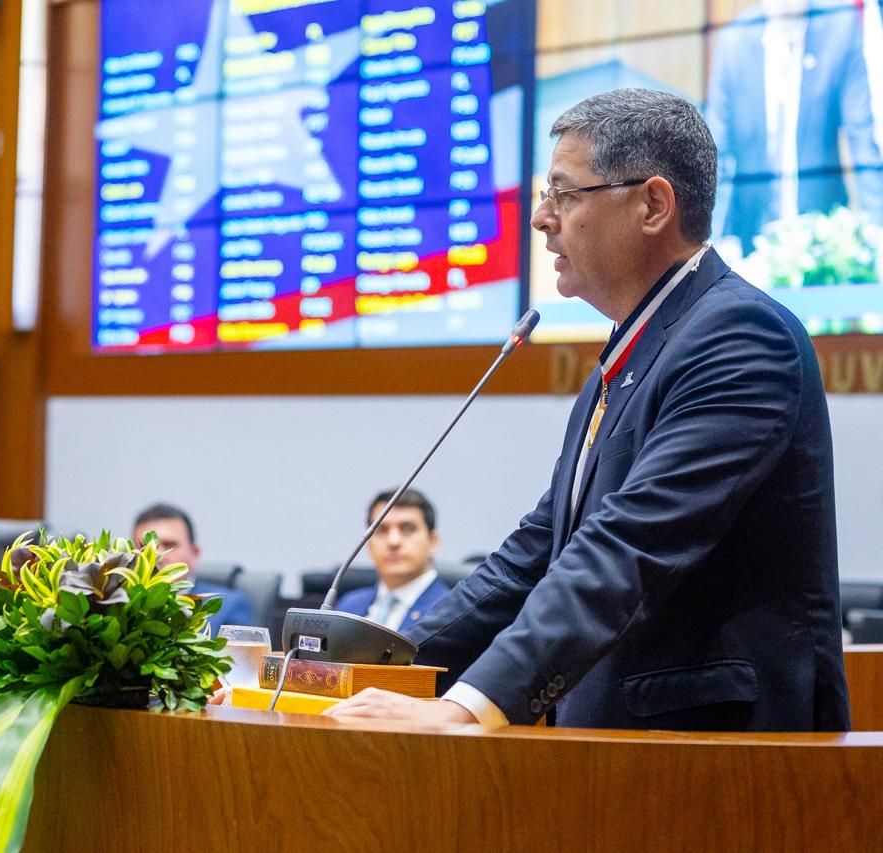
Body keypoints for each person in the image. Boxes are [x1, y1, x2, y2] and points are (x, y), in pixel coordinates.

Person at [328, 89, 849, 732]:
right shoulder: (629, 351)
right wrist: (365, 669)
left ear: (653, 204)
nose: (542, 218)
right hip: (620, 753)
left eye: (564, 193)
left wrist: (465, 708)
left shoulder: (739, 337)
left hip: (719, 758)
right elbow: (539, 551)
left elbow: (628, 547)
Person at [706, 0, 883, 253]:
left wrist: (878, 235)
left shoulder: (839, 26)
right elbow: (717, 155)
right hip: (750, 240)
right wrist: (708, 241)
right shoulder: (734, 41)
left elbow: (861, 139)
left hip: (822, 240)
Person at [133, 503, 255, 636]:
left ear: (195, 553)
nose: (159, 556)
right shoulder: (124, 607)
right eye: (147, 548)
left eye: (170, 545)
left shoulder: (230, 606)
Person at [336, 489, 449, 632]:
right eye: (382, 530)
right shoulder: (348, 607)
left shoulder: (450, 611)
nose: (393, 542)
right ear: (369, 544)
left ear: (433, 542)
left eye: (408, 529)